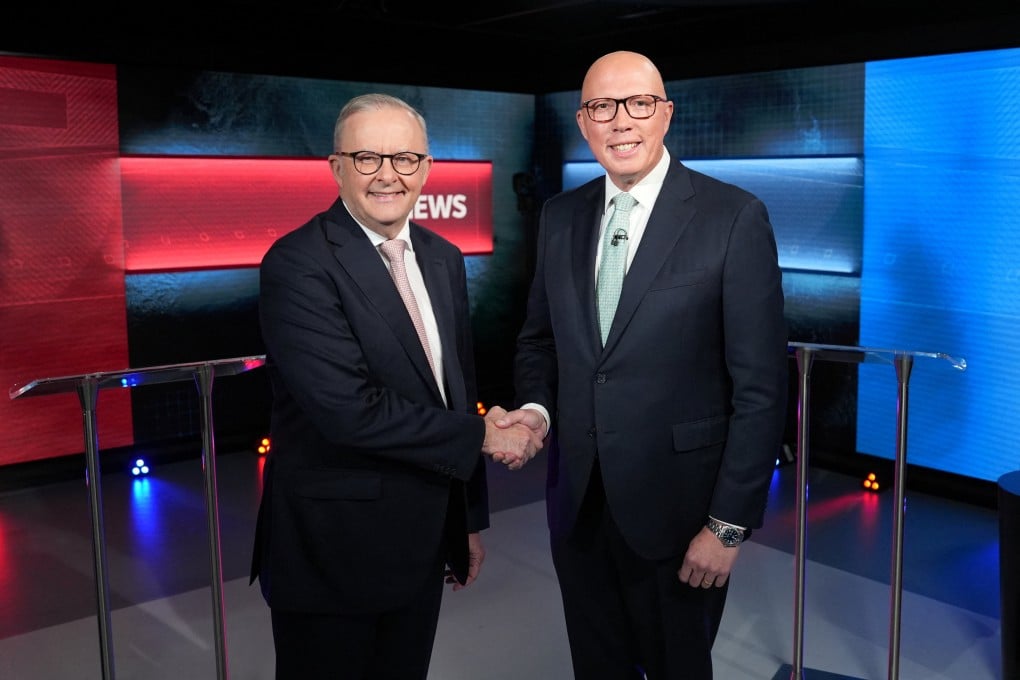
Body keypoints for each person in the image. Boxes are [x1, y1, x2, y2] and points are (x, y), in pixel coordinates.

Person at [494, 51, 789, 679]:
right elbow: (538, 342)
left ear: (666, 115)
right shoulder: (560, 217)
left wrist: (728, 525)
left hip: (684, 518)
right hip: (579, 510)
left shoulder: (733, 217)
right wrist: (537, 411)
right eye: (602, 107)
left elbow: (761, 389)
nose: (620, 121)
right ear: (583, 122)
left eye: (638, 104)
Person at [249, 92, 542, 680]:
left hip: (424, 542)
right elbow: (347, 410)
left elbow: (456, 392)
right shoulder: (298, 263)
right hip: (333, 554)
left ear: (427, 169)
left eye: (405, 159)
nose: (388, 175)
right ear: (336, 167)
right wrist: (484, 437)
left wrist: (466, 521)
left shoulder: (443, 258)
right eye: (367, 158)